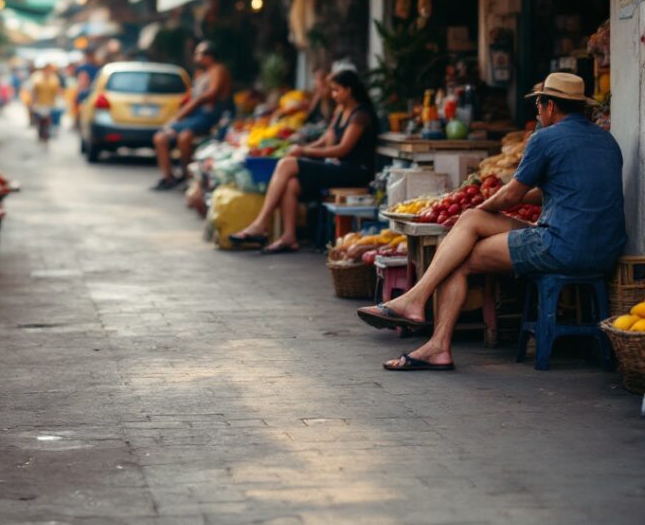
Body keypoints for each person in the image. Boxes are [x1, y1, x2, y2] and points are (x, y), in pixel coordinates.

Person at [357, 73, 626, 372]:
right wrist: (481, 211)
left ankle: (432, 336)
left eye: (538, 104)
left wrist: (482, 207)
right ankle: (418, 308)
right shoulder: (606, 139)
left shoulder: (545, 138)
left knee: (460, 258)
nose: (537, 111)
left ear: (550, 106)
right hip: (604, 250)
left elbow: (513, 194)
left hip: (561, 246)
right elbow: (561, 191)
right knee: (470, 226)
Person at [229, 69, 379, 252]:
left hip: (355, 172)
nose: (333, 94)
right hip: (338, 167)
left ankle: (261, 223)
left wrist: (305, 151)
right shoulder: (342, 110)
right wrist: (303, 149)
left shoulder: (360, 115)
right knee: (291, 184)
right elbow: (326, 138)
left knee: (286, 164)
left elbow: (343, 149)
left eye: (337, 90)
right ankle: (289, 237)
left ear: (349, 90)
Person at [151, 41, 233, 190]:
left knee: (184, 137)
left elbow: (208, 95)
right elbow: (194, 97)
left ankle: (188, 176)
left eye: (199, 54)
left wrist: (181, 115)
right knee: (160, 138)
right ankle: (168, 177)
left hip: (210, 117)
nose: (196, 58)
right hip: (195, 116)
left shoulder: (218, 70)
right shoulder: (201, 73)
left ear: (209, 56)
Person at [25, 62, 64, 143]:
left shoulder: (54, 78)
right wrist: (32, 102)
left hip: (50, 103)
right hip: (39, 102)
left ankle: (46, 134)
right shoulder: (37, 77)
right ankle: (40, 132)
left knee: (47, 120)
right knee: (40, 119)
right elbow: (33, 90)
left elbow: (57, 90)